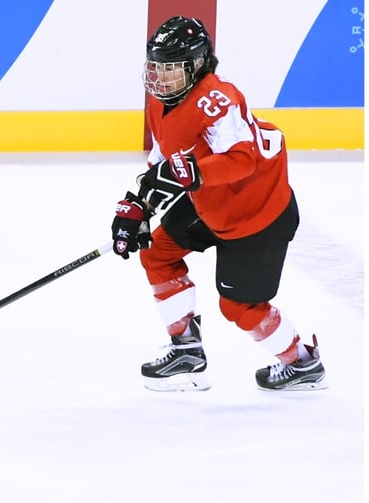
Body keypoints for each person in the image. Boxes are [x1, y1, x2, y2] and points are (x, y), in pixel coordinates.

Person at [110, 16, 326, 392]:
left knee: (239, 308)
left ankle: (302, 363)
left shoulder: (218, 100)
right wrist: (138, 205)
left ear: (197, 65)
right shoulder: (161, 104)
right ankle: (186, 351)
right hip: (209, 202)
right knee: (157, 253)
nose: (160, 77)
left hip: (257, 214)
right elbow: (164, 164)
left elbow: (242, 160)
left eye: (171, 68)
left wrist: (187, 173)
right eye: (156, 66)